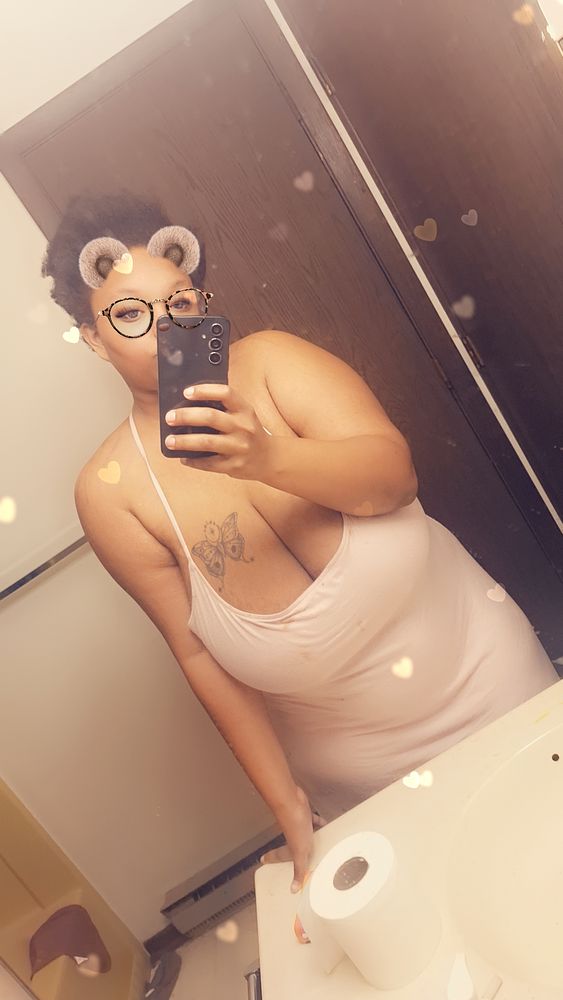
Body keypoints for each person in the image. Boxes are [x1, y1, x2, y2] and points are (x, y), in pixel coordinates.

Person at [42, 191, 559, 935]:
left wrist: (266, 457)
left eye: (179, 301)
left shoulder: (274, 362)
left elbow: (393, 479)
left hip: (497, 688)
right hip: (363, 783)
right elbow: (198, 654)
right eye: (130, 314)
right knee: (454, 938)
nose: (166, 328)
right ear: (92, 338)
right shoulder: (111, 493)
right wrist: (289, 810)